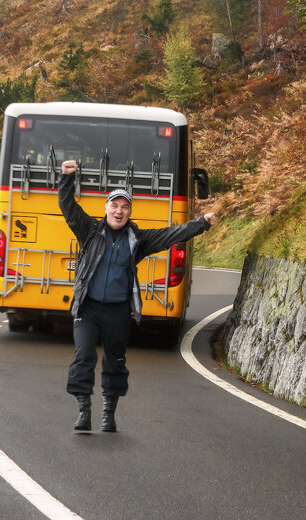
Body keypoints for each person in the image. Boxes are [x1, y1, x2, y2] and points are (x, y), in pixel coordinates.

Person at [58, 159, 218, 433]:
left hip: (118, 311)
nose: (119, 211)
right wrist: (67, 178)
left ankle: (109, 413)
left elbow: (171, 235)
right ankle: (83, 410)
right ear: (106, 208)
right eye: (114, 205)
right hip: (88, 308)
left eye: (124, 207)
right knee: (83, 357)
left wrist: (201, 224)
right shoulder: (90, 231)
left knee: (115, 361)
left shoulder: (137, 239)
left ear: (129, 212)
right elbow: (68, 207)